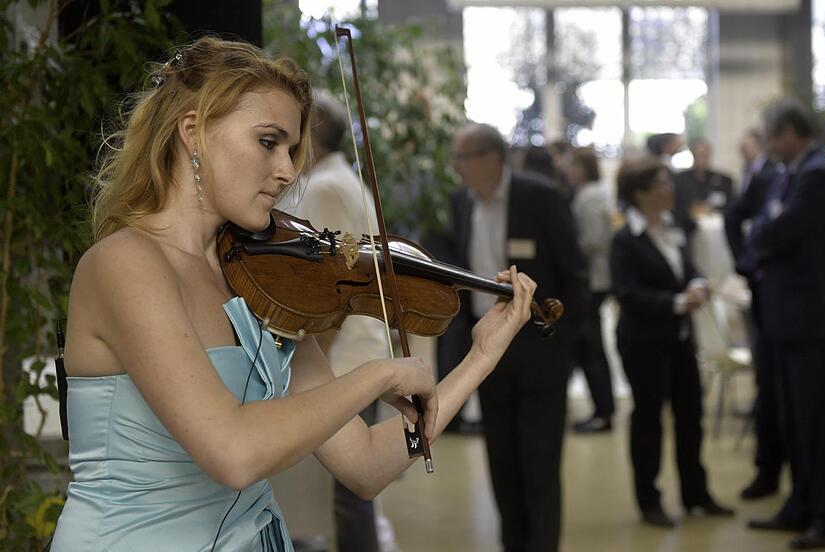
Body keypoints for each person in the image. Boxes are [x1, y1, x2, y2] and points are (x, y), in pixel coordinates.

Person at [52, 37, 537, 551]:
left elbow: (367, 465)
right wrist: (378, 374)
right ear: (192, 133)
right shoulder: (124, 264)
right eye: (268, 142)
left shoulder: (262, 281)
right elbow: (232, 452)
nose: (287, 170)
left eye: (292, 150)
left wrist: (481, 356)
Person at [445, 122, 588, 552]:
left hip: (539, 348)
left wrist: (562, 343)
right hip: (487, 350)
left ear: (490, 159)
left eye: (462, 159)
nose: (455, 168)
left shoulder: (540, 197)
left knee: (540, 464)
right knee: (502, 462)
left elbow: (575, 276)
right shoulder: (460, 203)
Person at [275, 90, 395, 552]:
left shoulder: (325, 186)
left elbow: (334, 288)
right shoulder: (336, 178)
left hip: (344, 357)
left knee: (349, 493)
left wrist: (310, 361)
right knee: (347, 493)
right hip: (351, 351)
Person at [746, 100, 825, 549]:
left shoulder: (819, 175)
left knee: (817, 423)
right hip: (789, 316)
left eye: (772, 136)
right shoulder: (794, 173)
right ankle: (801, 506)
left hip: (809, 317)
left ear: (790, 133)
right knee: (796, 420)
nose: (768, 146)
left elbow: (778, 232)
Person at [611, 157, 734, 528]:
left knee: (690, 416)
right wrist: (677, 302)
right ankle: (649, 500)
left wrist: (696, 283)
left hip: (679, 338)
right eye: (662, 183)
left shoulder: (672, 226)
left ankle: (696, 494)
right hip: (643, 342)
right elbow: (626, 293)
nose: (671, 189)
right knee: (649, 422)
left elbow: (686, 267)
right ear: (640, 193)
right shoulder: (625, 239)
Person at [725, 129, 784, 501]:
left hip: (796, 305)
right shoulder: (767, 179)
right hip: (768, 300)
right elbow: (734, 217)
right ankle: (769, 470)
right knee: (769, 388)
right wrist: (746, 263)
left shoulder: (809, 177)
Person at [566, 147, 615, 433]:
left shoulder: (590, 196)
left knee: (592, 348)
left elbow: (595, 239)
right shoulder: (592, 193)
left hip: (592, 280)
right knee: (590, 346)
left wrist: (568, 246)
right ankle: (603, 409)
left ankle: (604, 412)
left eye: (574, 165)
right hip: (594, 279)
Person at [674, 138, 735, 217]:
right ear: (693, 155)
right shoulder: (680, 179)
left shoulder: (724, 181)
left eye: (705, 156)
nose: (702, 160)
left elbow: (731, 207)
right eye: (699, 156)